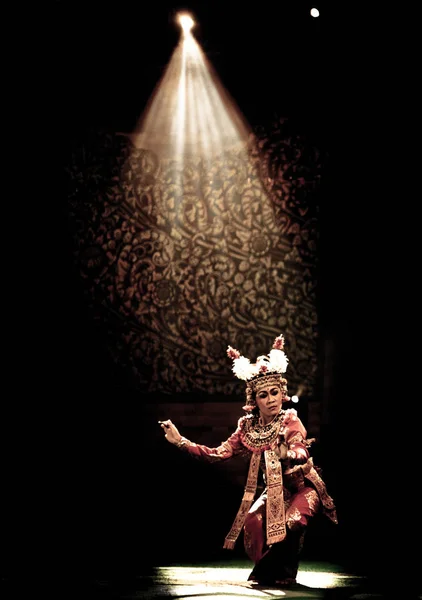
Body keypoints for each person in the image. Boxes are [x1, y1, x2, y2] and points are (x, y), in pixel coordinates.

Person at [159, 334, 337, 587]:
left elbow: (301, 449)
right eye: (263, 395)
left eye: (275, 392)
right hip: (273, 492)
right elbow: (217, 454)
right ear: (254, 401)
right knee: (252, 523)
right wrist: (181, 442)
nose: (271, 399)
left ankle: (279, 573)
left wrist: (288, 453)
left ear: (282, 393)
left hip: (302, 487)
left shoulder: (290, 420)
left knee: (293, 523)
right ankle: (271, 570)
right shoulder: (247, 429)